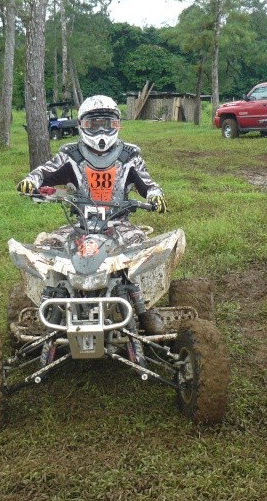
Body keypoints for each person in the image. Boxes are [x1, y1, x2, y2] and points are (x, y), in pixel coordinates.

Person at [16, 95, 167, 328]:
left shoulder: (129, 154)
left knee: (139, 249)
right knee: (49, 249)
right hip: (79, 225)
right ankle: (50, 304)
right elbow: (46, 171)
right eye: (93, 125)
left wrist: (155, 195)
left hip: (119, 223)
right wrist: (31, 181)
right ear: (81, 125)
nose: (101, 132)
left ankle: (144, 309)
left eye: (108, 124)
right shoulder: (70, 154)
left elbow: (146, 182)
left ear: (117, 124)